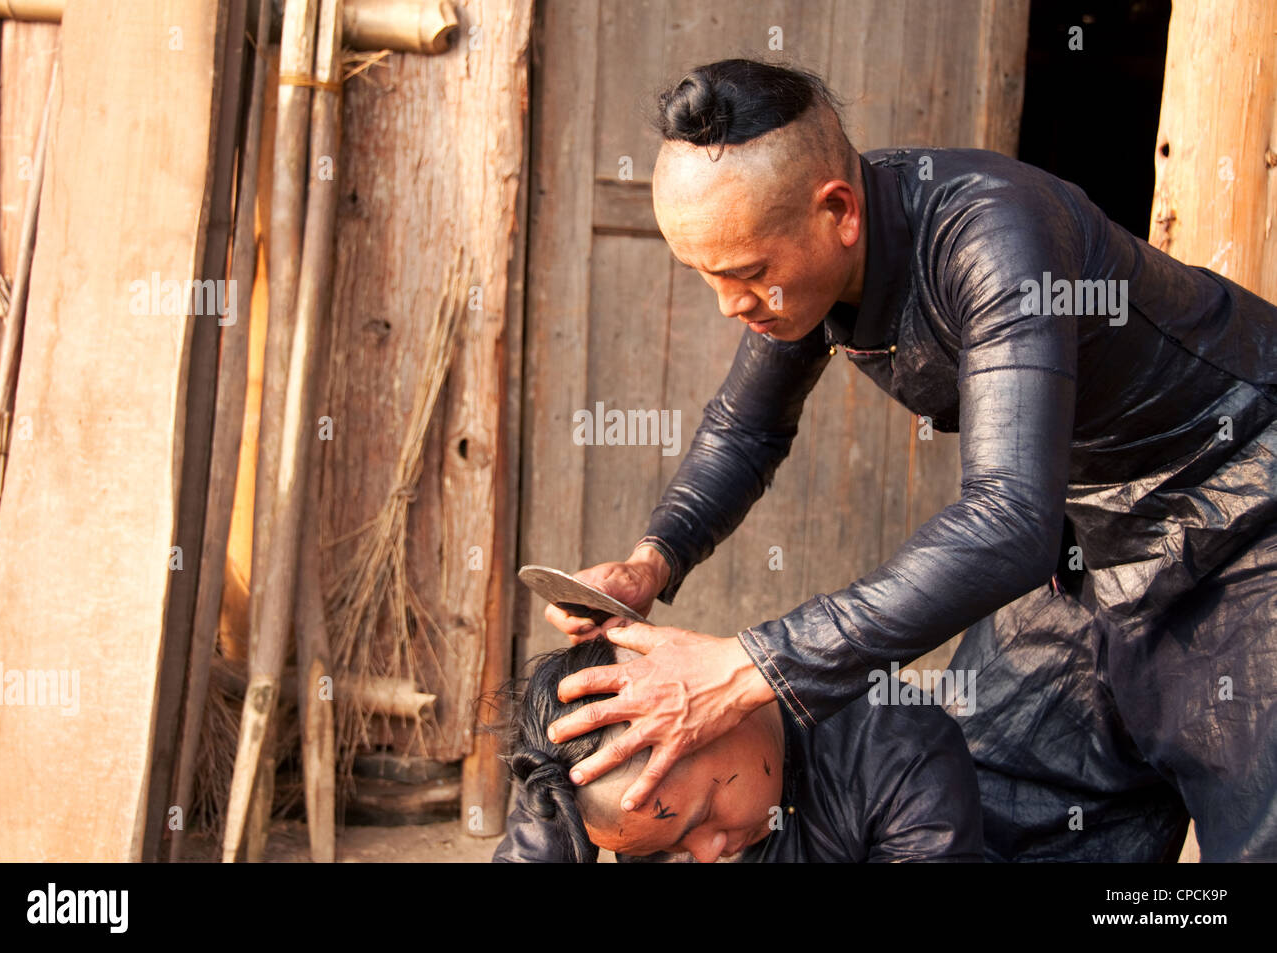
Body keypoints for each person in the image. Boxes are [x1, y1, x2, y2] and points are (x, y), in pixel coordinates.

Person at [542, 59, 1277, 862]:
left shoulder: (996, 235)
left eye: (749, 273)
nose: (731, 305)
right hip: (1090, 535)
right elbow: (745, 429)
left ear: (838, 213)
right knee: (984, 804)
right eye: (708, 276)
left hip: (1244, 506)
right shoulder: (808, 283)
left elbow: (1007, 522)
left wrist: (745, 665)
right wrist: (654, 560)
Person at [493, 635, 984, 862]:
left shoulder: (904, 756)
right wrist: (554, 807)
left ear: (707, 713)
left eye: (703, 815)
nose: (707, 856)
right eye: (664, 851)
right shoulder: (611, 791)